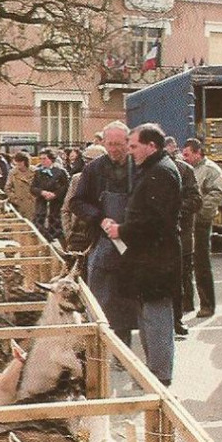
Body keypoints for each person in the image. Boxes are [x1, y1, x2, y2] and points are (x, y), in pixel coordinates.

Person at [101, 124, 182, 386]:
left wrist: (121, 229)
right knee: (149, 317)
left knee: (156, 319)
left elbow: (155, 221)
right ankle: (154, 372)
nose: (129, 150)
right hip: (149, 260)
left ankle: (159, 376)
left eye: (133, 145)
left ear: (152, 146)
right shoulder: (154, 170)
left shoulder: (161, 173)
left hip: (156, 262)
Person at [70, 121, 138, 344]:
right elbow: (76, 202)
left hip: (132, 240)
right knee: (101, 299)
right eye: (110, 144)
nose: (115, 149)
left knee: (127, 299)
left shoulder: (139, 167)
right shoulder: (93, 169)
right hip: (102, 240)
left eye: (119, 144)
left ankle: (123, 347)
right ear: (104, 143)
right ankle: (98, 348)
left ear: (128, 143)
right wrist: (99, 218)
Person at [181, 137, 222, 318]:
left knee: (201, 263)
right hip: (186, 222)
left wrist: (197, 211)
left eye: (187, 154)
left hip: (201, 223)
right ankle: (187, 303)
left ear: (198, 153)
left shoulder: (211, 170)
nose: (184, 158)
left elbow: (216, 194)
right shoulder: (186, 169)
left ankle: (207, 304)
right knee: (185, 263)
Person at [170, 149, 202, 337]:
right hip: (156, 238)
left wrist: (173, 209)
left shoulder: (185, 171)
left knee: (179, 280)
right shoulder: (144, 169)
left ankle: (177, 319)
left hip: (180, 236)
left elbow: (196, 200)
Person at [61, 143, 106, 252]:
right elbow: (66, 209)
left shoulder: (111, 181)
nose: (88, 165)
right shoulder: (77, 179)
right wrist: (69, 233)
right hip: (78, 236)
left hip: (101, 236)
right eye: (86, 161)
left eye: (92, 161)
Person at [31, 147, 69, 240]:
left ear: (51, 159)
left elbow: (66, 187)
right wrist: (42, 192)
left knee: (56, 227)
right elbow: (32, 188)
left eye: (45, 159)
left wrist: (55, 194)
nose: (42, 161)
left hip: (56, 205)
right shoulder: (38, 172)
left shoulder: (60, 172)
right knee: (40, 227)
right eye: (41, 159)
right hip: (41, 205)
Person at [4, 150, 36, 219]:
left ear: (26, 161)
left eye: (20, 161)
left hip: (34, 204)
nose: (18, 164)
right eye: (17, 161)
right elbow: (7, 188)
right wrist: (15, 198)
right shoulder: (13, 173)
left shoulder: (35, 171)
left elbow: (41, 186)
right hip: (20, 204)